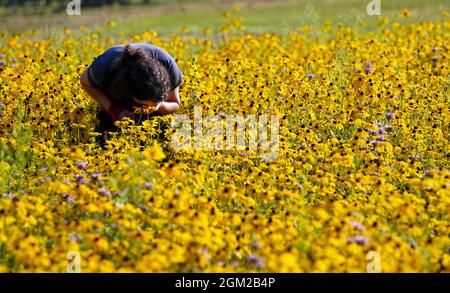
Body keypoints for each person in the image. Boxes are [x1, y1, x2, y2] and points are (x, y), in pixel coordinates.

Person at [80, 43, 182, 144]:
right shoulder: (105, 65)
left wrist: (160, 105)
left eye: (154, 101)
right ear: (129, 93)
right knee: (104, 146)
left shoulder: (168, 64)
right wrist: (112, 109)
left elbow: (175, 103)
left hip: (155, 120)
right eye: (144, 104)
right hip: (114, 109)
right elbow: (85, 82)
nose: (146, 108)